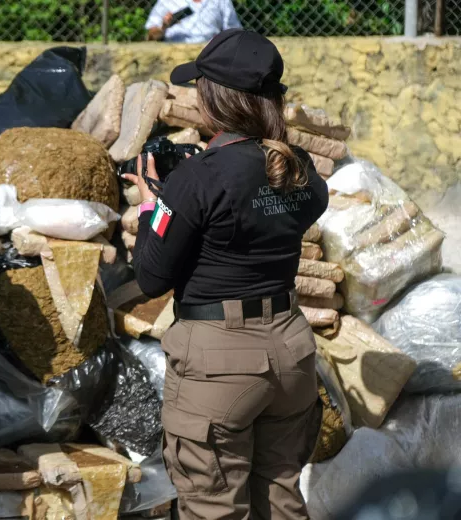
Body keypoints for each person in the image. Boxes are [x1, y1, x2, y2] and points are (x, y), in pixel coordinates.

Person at [121, 29, 329, 519]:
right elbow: (286, 206)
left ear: (215, 98)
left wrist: (158, 208)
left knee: (213, 508)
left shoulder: (197, 177)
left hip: (219, 363)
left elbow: (151, 278)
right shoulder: (298, 168)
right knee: (281, 501)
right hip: (290, 352)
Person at [146, 0, 242, 43]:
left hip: (209, 52)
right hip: (174, 52)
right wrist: (163, 27)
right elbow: (151, 36)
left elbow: (233, 32)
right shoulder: (167, 1)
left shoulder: (221, 1)